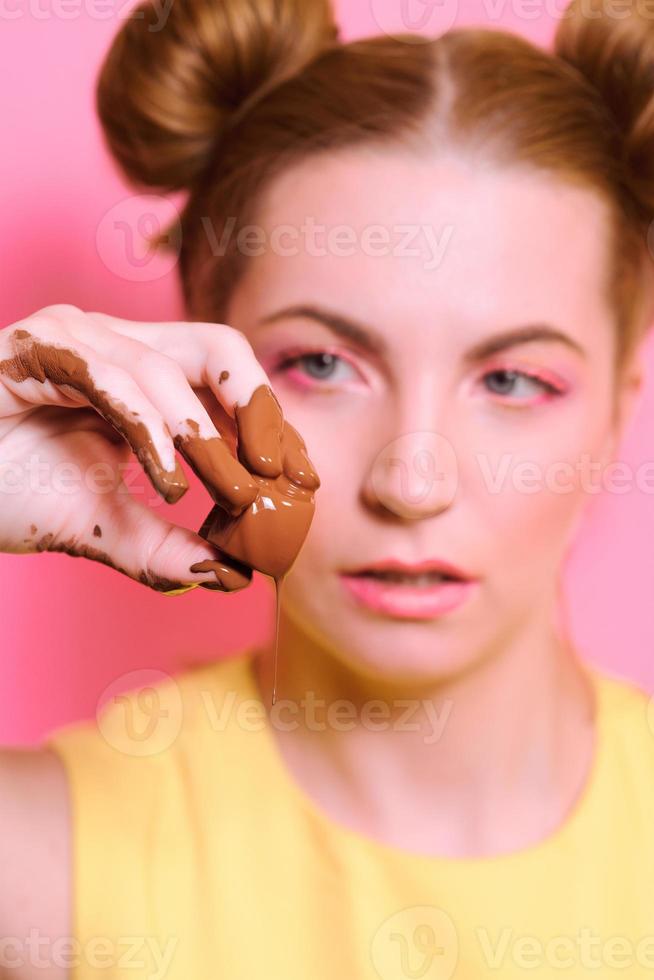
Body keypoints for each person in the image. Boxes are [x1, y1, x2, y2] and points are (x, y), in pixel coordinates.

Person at [3, 0, 654, 976]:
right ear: (201, 373)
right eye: (320, 363)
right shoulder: (37, 863)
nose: (412, 477)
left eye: (513, 380)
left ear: (616, 409)